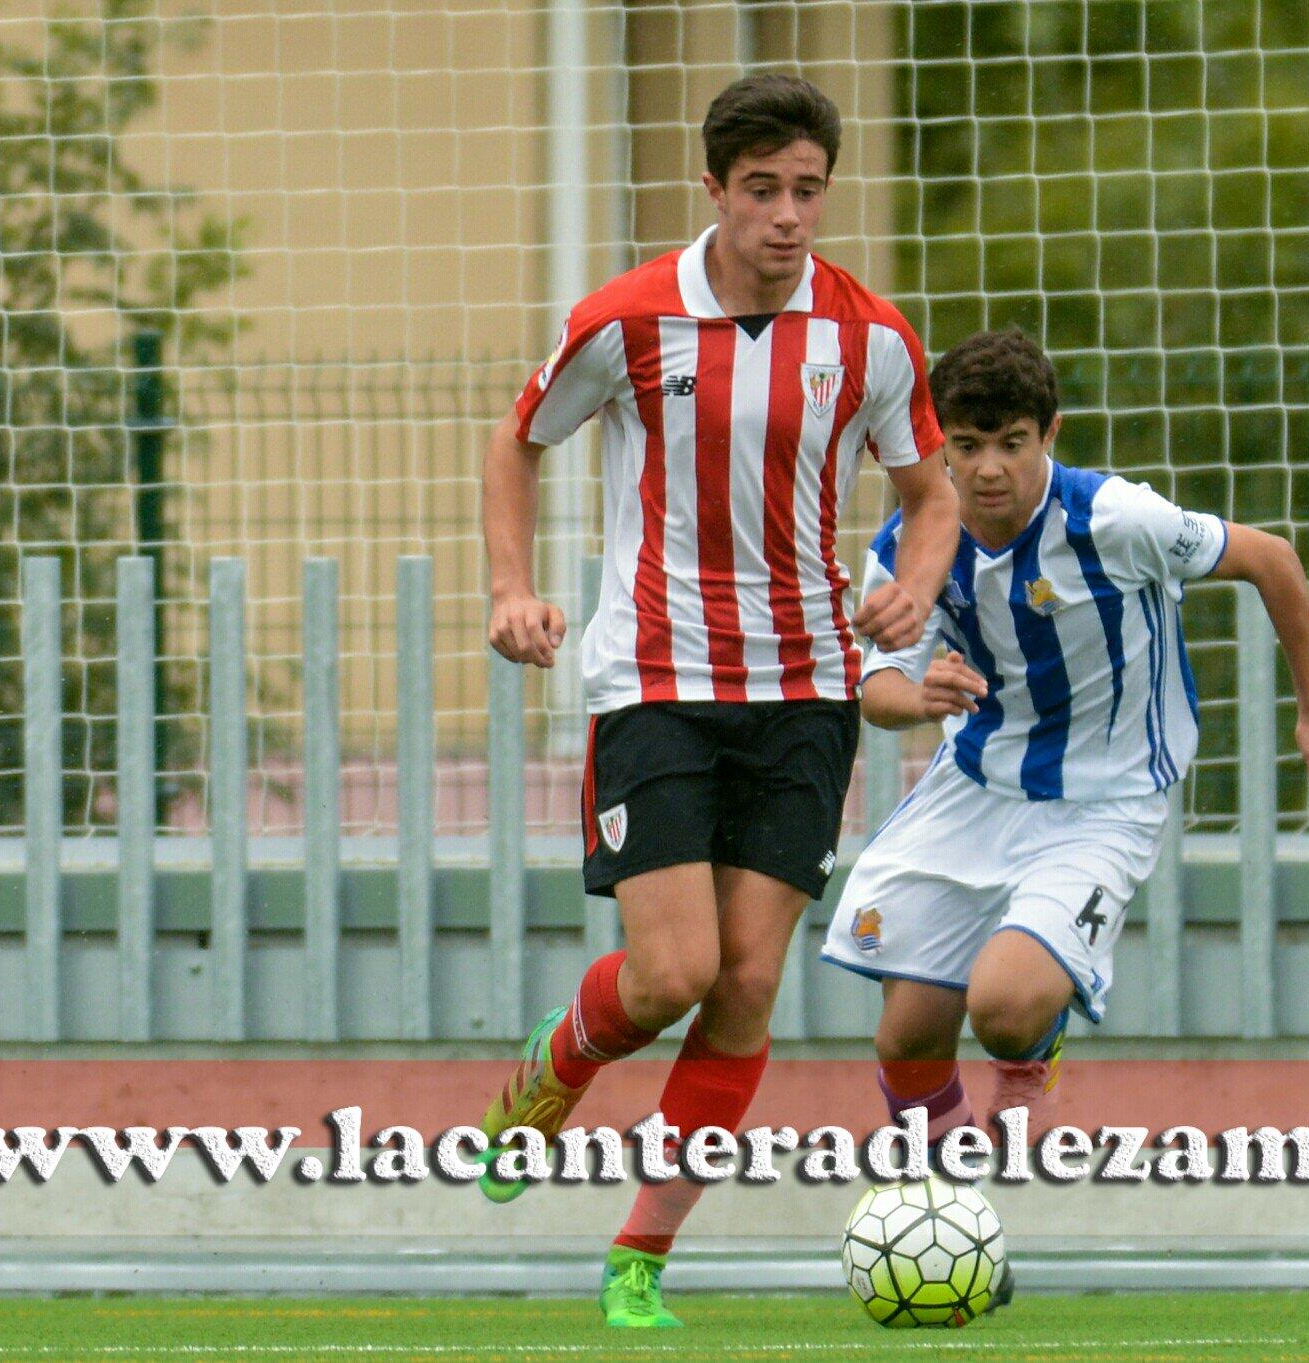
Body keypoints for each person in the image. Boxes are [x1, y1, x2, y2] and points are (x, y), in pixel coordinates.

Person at [478, 74, 960, 1328]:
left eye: (807, 191)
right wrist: (511, 589)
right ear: (713, 191)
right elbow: (518, 439)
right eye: (762, 192)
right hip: (655, 684)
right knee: (670, 974)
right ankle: (562, 1057)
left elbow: (933, 489)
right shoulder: (628, 320)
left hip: (805, 690)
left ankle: (640, 1255)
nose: (787, 218)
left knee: (746, 983)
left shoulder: (872, 340)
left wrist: (912, 586)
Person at [820, 328, 1309, 1258]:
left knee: (1004, 1002)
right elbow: (876, 688)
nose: (989, 469)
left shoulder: (1115, 518)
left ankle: (1035, 1039)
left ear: (1048, 434)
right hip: (977, 784)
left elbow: (1273, 560)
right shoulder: (909, 546)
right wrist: (921, 697)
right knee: (905, 1036)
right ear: (939, 441)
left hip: (1105, 798)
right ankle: (951, 1225)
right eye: (968, 445)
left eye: (1012, 443)